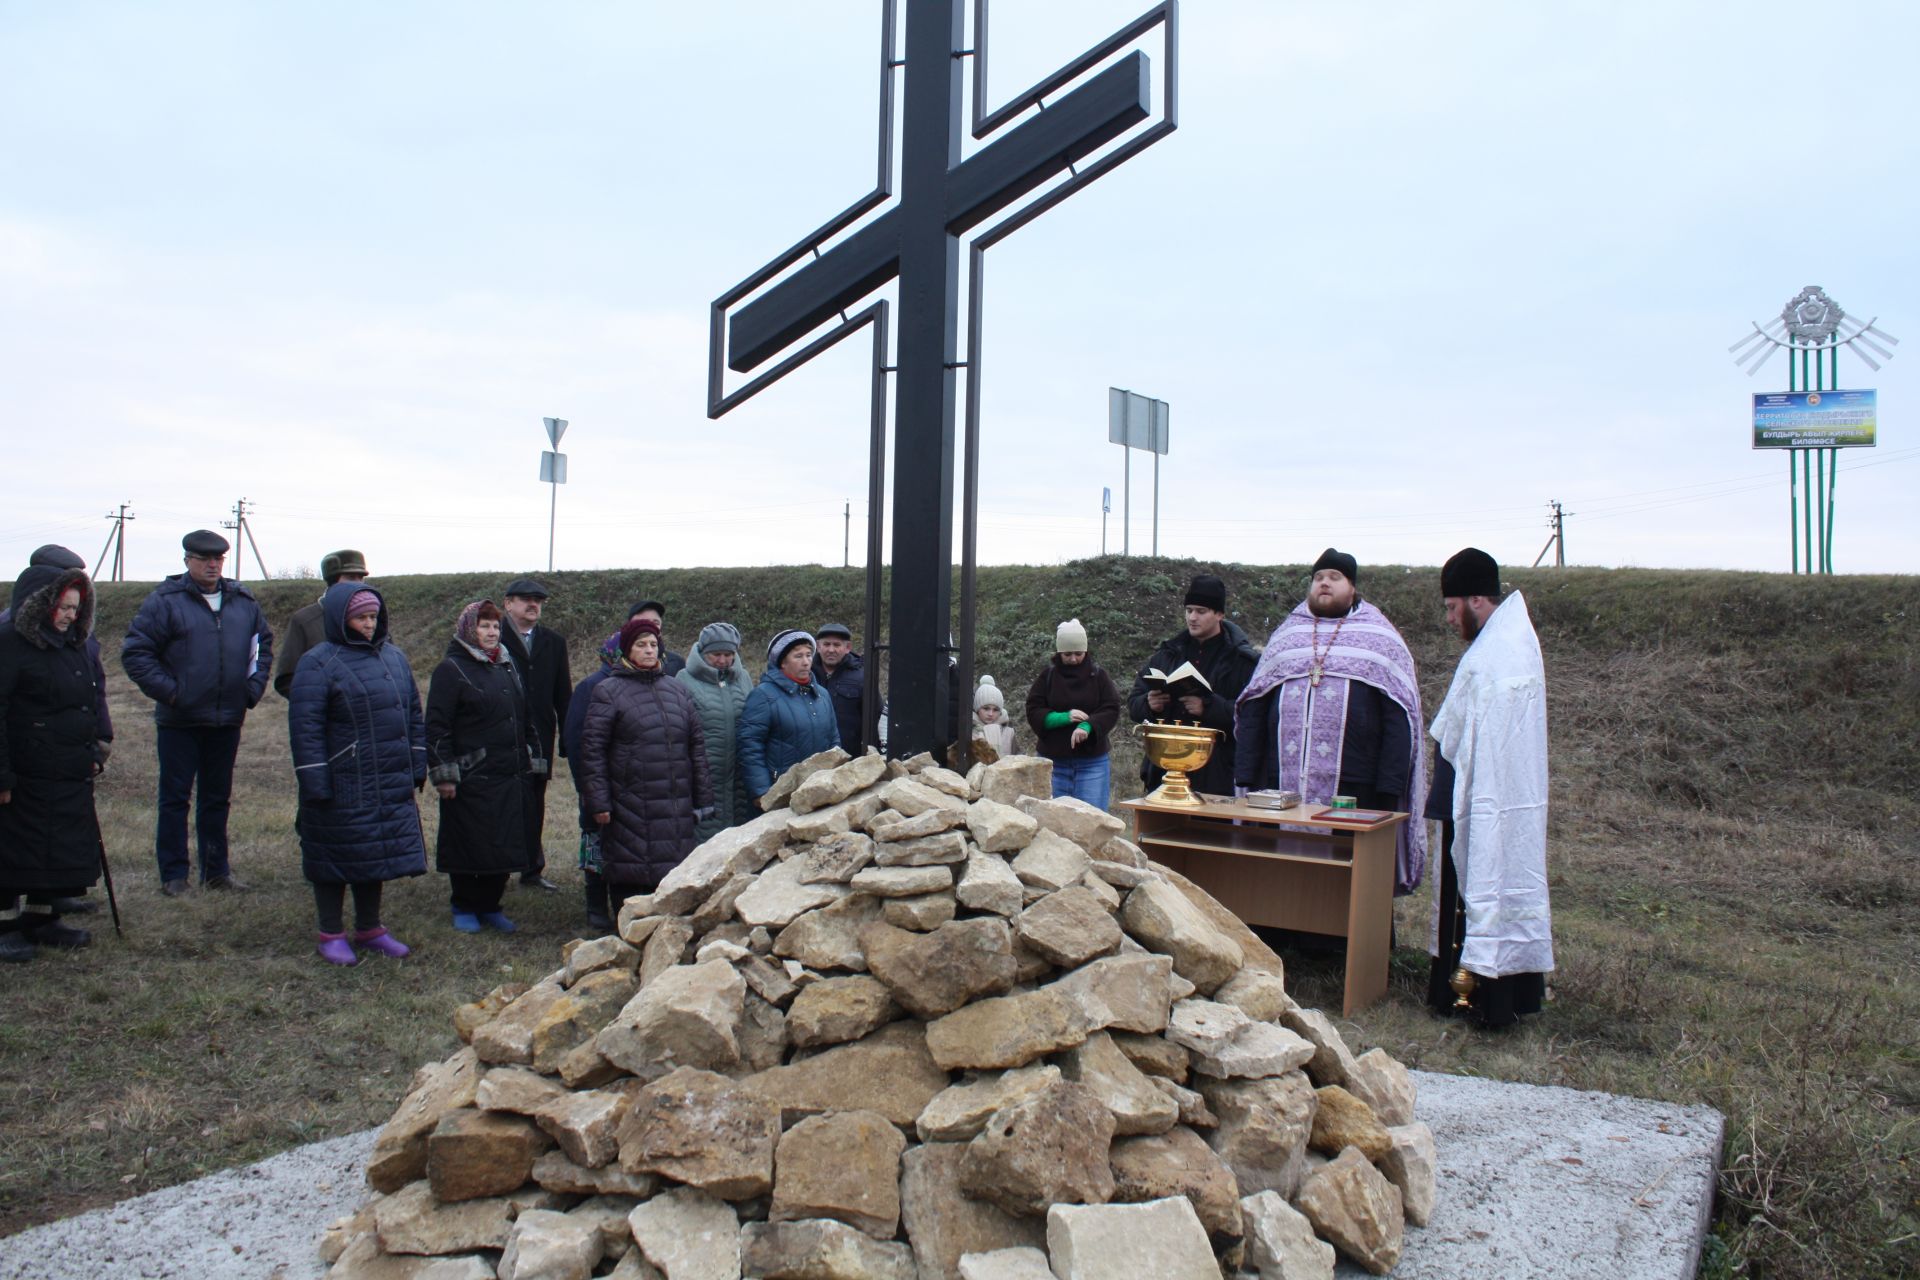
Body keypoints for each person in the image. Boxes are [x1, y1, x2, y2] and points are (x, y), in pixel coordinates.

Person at [1235, 549, 1427, 893]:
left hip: (1356, 783)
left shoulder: (1380, 639)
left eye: (1335, 577)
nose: (1324, 582)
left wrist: (1389, 787)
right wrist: (1247, 774)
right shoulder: (1287, 636)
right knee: (1283, 867)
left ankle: (1348, 937)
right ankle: (1287, 931)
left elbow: (1400, 717)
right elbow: (1255, 703)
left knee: (1355, 871)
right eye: (1319, 577)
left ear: (1352, 587)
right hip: (1284, 780)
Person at [1424, 547, 1552, 1029]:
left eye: (1452, 607)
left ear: (1476, 599)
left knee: (1485, 881)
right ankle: (1481, 994)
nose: (1450, 618)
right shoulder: (1507, 643)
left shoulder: (1499, 653)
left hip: (1491, 795)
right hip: (1482, 790)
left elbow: (1478, 732)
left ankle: (1479, 997)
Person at [121, 530, 274, 896]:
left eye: (218, 559)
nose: (212, 565)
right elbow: (137, 654)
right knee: (175, 799)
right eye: (204, 559)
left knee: (217, 798)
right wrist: (173, 694)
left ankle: (216, 871)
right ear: (187, 560)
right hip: (181, 721)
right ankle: (174, 876)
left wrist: (250, 690)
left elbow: (262, 647)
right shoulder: (165, 602)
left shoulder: (243, 602)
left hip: (227, 719)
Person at [287, 584, 427, 965]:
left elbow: (412, 713)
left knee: (373, 853)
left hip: (386, 778)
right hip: (341, 781)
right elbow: (306, 727)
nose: (369, 624)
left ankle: (370, 928)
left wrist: (417, 762)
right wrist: (315, 780)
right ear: (340, 619)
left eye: (373, 617)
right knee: (332, 856)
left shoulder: (394, 658)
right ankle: (331, 932)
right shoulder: (318, 663)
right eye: (361, 617)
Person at [0, 565, 108, 960]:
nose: (69, 616)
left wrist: (93, 744)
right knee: (13, 850)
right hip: (23, 772)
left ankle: (41, 919)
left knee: (52, 849)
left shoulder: (72, 645)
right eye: (62, 607)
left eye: (75, 608)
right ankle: (5, 926)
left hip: (64, 772)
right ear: (40, 606)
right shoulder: (9, 643)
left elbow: (86, 700)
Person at [578, 616, 714, 906]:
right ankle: (626, 933)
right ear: (627, 650)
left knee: (671, 868)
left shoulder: (676, 690)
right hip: (629, 800)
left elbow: (695, 746)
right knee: (631, 868)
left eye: (654, 644)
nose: (649, 650)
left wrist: (703, 798)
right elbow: (593, 750)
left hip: (674, 800)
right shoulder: (608, 691)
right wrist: (599, 802)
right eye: (641, 645)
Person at [425, 600, 541, 933]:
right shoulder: (451, 669)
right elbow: (437, 726)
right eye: (484, 626)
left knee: (503, 840)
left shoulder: (506, 664)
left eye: (495, 626)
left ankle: (491, 905)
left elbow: (524, 714)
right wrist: (444, 773)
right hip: (471, 773)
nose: (491, 632)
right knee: (469, 841)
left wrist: (532, 753)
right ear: (468, 629)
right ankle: (463, 904)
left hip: (510, 772)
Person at [1126, 573, 1260, 799]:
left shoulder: (1242, 661)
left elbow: (1252, 715)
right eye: (1189, 610)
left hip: (1218, 775)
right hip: (1163, 772)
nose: (1192, 617)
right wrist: (1150, 704)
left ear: (1219, 614)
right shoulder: (1166, 654)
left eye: (1201, 611)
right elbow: (1133, 704)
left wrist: (1208, 707)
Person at [499, 578, 571, 892]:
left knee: (534, 802)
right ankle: (496, 867)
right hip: (500, 738)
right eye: (526, 599)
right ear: (508, 603)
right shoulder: (492, 636)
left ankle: (531, 869)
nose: (533, 605)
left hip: (539, 738)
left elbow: (563, 694)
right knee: (500, 803)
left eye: (538, 600)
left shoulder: (553, 642)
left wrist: (568, 737)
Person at [563, 627, 625, 930]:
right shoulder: (591, 687)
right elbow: (576, 742)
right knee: (596, 841)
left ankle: (623, 906)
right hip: (599, 781)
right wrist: (588, 787)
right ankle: (596, 905)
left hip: (630, 785)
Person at [1024, 618, 1122, 810]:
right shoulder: (1047, 677)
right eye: (1067, 654)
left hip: (1092, 764)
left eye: (1079, 653)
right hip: (1052, 763)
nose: (1074, 659)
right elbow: (1033, 709)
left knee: (1093, 822)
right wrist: (1062, 718)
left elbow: (1111, 707)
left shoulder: (1099, 676)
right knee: (1051, 823)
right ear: (1059, 652)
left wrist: (1089, 726)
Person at [739, 630, 840, 802]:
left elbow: (833, 738)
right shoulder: (763, 695)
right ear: (782, 662)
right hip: (779, 792)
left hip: (818, 790)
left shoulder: (822, 694)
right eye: (798, 656)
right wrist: (762, 792)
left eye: (809, 655)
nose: (806, 662)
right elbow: (750, 746)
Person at [677, 622, 754, 843]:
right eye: (715, 654)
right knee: (704, 843)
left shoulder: (744, 679)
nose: (722, 660)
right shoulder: (683, 680)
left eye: (728, 654)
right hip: (704, 777)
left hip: (739, 777)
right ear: (702, 653)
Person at [274, 549, 368, 699]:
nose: (357, 584)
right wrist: (321, 705)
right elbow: (287, 679)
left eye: (360, 578)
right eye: (351, 577)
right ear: (332, 581)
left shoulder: (373, 619)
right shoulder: (304, 621)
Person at [812, 622, 867, 755]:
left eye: (837, 645)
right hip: (811, 758)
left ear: (847, 647)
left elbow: (875, 717)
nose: (831, 650)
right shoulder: (806, 673)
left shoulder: (863, 676)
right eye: (826, 644)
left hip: (850, 760)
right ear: (818, 647)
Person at [626, 600, 686, 676]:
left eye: (656, 622)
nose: (651, 626)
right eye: (643, 622)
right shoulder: (614, 661)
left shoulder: (676, 662)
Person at [971, 676, 1018, 759]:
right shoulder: (969, 731)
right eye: (986, 708)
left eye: (995, 710)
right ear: (977, 708)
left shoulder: (1009, 732)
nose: (990, 714)